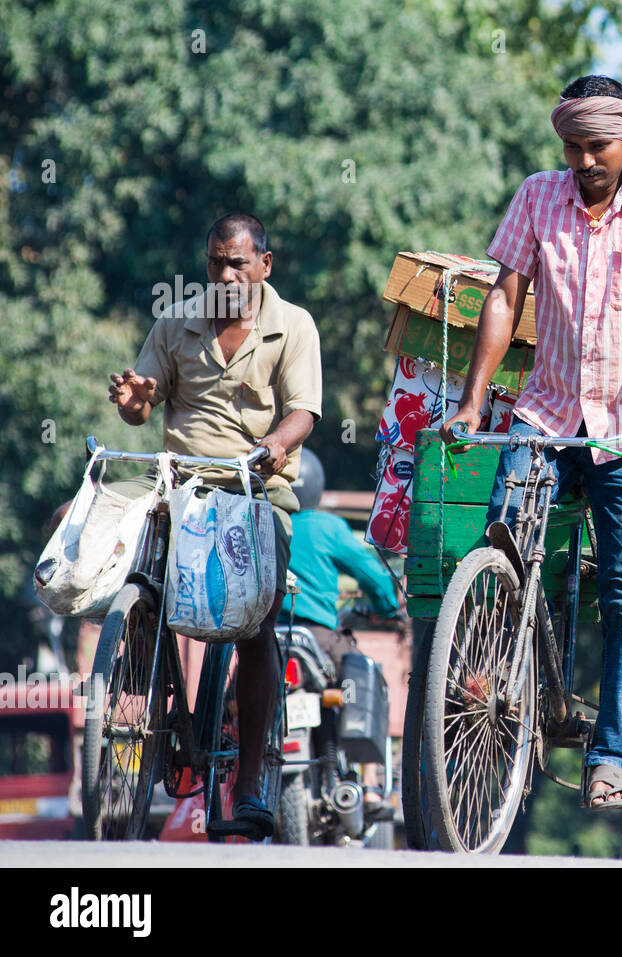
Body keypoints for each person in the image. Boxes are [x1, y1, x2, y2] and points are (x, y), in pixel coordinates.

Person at [440, 74, 622, 811]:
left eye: (596, 147)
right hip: (546, 413)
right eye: (571, 147)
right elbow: (505, 294)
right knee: (503, 553)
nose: (584, 160)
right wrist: (469, 403)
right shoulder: (537, 195)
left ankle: (613, 756)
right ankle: (491, 681)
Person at [106, 212, 321, 839]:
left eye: (237, 263)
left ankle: (250, 777)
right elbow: (143, 400)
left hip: (258, 496)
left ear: (264, 265)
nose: (225, 275)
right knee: (143, 594)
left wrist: (276, 446)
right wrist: (134, 399)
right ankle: (149, 717)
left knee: (254, 628)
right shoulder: (175, 321)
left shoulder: (294, 327)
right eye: (215, 263)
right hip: (184, 495)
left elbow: (303, 412)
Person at [279, 448, 400, 820]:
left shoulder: (266, 519)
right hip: (322, 641)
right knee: (363, 680)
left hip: (269, 638)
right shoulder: (326, 527)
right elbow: (373, 573)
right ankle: (371, 786)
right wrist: (387, 607)